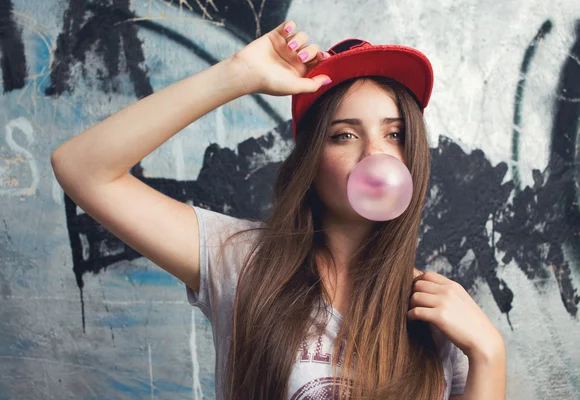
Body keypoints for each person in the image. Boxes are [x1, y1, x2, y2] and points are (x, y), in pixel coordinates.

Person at [51, 20, 506, 400]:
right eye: (344, 135)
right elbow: (82, 169)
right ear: (310, 161)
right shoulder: (243, 262)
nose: (376, 154)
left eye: (395, 134)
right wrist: (237, 74)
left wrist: (488, 353)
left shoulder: (438, 314)